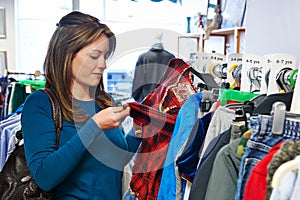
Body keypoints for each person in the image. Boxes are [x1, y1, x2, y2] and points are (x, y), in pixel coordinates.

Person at [21, 11, 141, 199]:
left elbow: (113, 162)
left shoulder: (104, 101)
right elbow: (44, 177)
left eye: (105, 56)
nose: (103, 65)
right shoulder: (40, 104)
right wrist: (94, 126)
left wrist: (138, 132)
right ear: (67, 55)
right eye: (95, 56)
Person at [131, 32, 175, 102]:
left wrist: (139, 99)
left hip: (147, 101)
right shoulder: (171, 57)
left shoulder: (143, 57)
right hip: (165, 102)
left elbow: (138, 83)